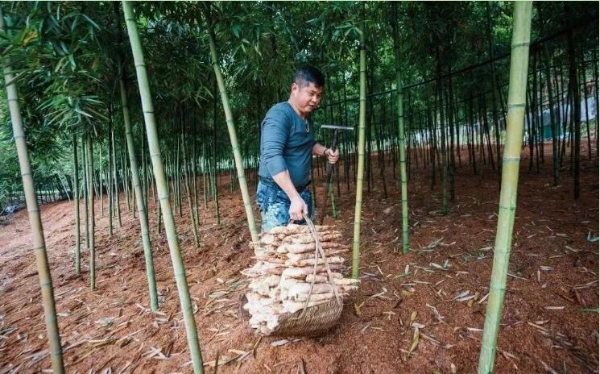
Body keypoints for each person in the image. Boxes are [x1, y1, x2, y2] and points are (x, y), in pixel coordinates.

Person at [256, 64, 340, 232]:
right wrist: (294, 197)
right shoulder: (279, 115)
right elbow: (272, 155)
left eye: (319, 95)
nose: (315, 100)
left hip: (301, 193)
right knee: (280, 251)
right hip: (277, 194)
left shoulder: (306, 120)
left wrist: (325, 151)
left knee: (303, 248)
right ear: (295, 88)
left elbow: (307, 145)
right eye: (311, 93)